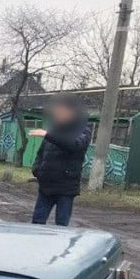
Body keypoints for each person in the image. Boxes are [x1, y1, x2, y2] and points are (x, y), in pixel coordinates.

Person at [29, 94, 92, 227]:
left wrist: (48, 135)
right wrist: (37, 170)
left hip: (66, 187)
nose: (57, 114)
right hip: (46, 186)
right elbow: (41, 153)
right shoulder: (54, 129)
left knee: (61, 226)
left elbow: (74, 145)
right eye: (56, 112)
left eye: (61, 111)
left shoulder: (82, 130)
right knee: (36, 223)